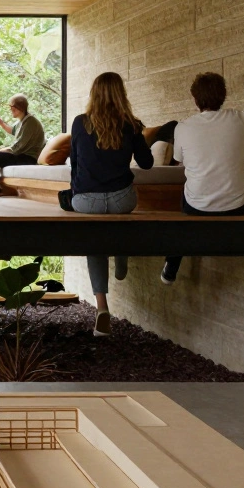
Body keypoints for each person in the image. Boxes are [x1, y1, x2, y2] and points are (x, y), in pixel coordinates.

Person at [161, 73, 244, 284]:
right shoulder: (241, 119)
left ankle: (172, 263)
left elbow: (178, 160)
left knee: (183, 195)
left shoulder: (183, 127)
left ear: (195, 99)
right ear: (223, 95)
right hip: (236, 207)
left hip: (195, 209)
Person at [69, 72, 153, 337]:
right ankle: (121, 251)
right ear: (122, 94)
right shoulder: (131, 124)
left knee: (96, 242)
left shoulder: (80, 123)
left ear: (94, 93)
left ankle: (102, 307)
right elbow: (147, 163)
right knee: (119, 216)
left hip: (86, 201)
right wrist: (138, 137)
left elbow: (75, 164)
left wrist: (75, 194)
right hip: (122, 200)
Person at [0, 94, 46, 197]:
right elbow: (11, 130)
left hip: (27, 157)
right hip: (19, 154)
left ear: (18, 108)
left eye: (11, 107)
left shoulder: (30, 123)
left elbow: (17, 148)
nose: (10, 109)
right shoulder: (22, 121)